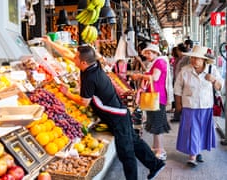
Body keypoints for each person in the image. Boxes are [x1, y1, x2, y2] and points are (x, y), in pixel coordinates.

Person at [41, 36, 165, 180]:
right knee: (134, 141)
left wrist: (67, 93)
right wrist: (50, 43)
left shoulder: (89, 78)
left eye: (76, 58)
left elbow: (84, 102)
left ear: (82, 62)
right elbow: (67, 54)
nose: (72, 59)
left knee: (126, 151)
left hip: (117, 117)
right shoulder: (93, 65)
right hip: (119, 112)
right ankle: (155, 164)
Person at [174, 45, 223, 166]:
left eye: (198, 58)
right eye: (193, 58)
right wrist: (178, 104)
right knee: (192, 130)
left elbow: (220, 87)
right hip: (190, 106)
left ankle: (196, 151)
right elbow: (177, 88)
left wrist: (213, 80)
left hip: (206, 106)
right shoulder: (185, 70)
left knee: (201, 130)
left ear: (204, 60)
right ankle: (192, 156)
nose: (194, 61)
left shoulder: (212, 70)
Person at [132, 44, 171, 161]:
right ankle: (155, 147)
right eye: (147, 53)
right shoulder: (155, 63)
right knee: (154, 122)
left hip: (157, 98)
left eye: (150, 53)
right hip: (155, 97)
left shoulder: (159, 62)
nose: (148, 55)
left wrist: (139, 76)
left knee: (157, 123)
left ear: (156, 53)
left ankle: (161, 150)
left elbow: (155, 78)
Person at [170, 43, 190, 122]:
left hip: (182, 81)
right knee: (177, 98)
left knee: (180, 99)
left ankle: (179, 116)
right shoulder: (179, 58)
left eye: (177, 50)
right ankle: (177, 116)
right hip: (177, 80)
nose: (177, 51)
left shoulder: (186, 58)